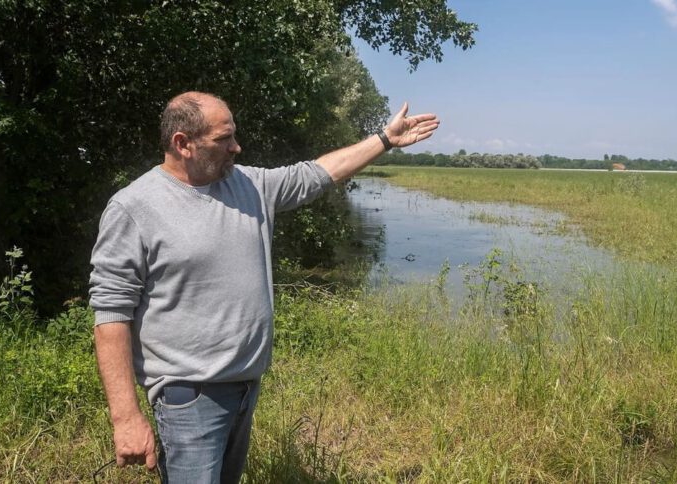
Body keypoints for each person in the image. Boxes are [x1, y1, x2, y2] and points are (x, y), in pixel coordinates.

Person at [88, 91, 439, 483]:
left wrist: (385, 140)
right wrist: (126, 418)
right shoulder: (134, 207)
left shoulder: (250, 186)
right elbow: (111, 316)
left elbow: (319, 173)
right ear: (182, 144)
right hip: (188, 398)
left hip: (244, 387)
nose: (236, 147)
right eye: (224, 140)